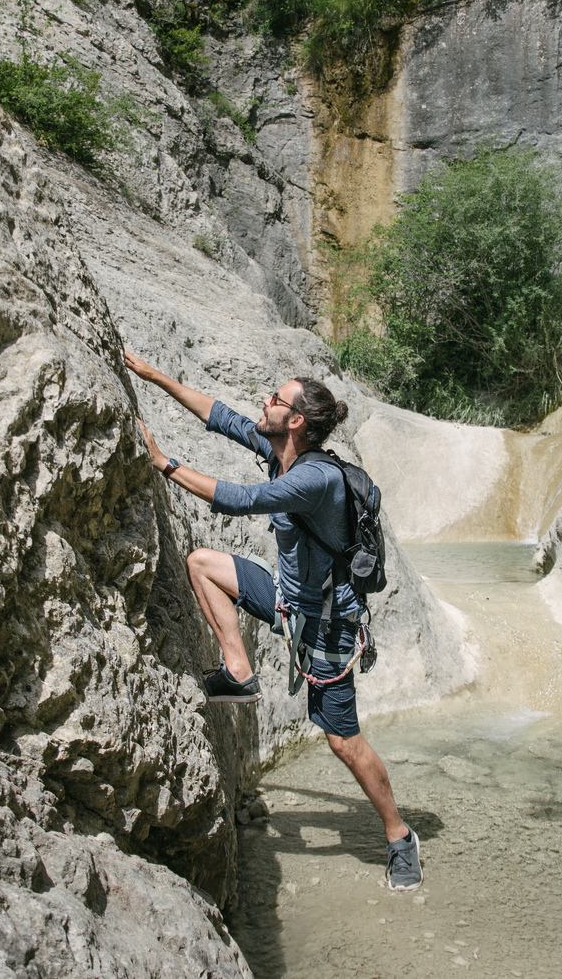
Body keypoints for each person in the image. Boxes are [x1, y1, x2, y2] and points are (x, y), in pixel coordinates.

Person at [123, 349, 423, 892]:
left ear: (297, 421)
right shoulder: (279, 448)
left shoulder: (314, 480)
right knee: (203, 565)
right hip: (288, 600)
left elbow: (240, 499)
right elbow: (221, 417)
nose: (264, 403)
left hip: (329, 625)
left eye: (275, 399)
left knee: (343, 742)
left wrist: (164, 464)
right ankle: (238, 673)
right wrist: (152, 374)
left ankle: (399, 835)